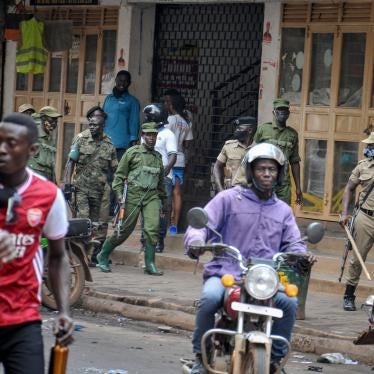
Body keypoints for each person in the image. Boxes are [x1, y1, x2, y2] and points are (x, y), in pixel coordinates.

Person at [185, 143, 315, 374]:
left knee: (289, 303)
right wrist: (196, 242)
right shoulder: (228, 199)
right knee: (209, 298)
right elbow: (202, 225)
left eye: (272, 170)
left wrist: (302, 255)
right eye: (261, 169)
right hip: (226, 272)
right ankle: (200, 356)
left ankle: (275, 362)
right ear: (251, 171)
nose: (266, 174)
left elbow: (294, 242)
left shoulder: (283, 210)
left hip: (265, 279)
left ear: (279, 174)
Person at [0, 113, 74, 374]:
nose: (2, 150)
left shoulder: (48, 194)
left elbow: (58, 256)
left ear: (32, 150)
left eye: (11, 143)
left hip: (22, 319)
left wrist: (63, 311)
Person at [96, 122, 166, 275]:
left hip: (151, 197)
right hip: (133, 195)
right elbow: (119, 177)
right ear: (143, 136)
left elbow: (161, 182)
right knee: (124, 230)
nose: (151, 138)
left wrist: (163, 203)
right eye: (148, 135)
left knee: (152, 229)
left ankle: (150, 263)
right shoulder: (132, 153)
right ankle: (103, 254)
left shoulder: (157, 157)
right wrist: (120, 195)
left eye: (154, 135)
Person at [62, 106, 118, 265]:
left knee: (93, 224)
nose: (92, 127)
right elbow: (70, 162)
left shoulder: (109, 144)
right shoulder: (81, 139)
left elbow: (115, 168)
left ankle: (88, 255)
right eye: (90, 124)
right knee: (83, 221)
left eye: (95, 125)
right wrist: (67, 183)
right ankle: (78, 255)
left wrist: (121, 183)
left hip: (98, 191)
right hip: (80, 188)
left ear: (102, 126)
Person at [339, 132, 374, 311]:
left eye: (371, 146)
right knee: (357, 259)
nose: (368, 149)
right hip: (365, 218)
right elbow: (349, 188)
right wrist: (345, 214)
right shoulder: (363, 166)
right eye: (368, 146)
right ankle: (349, 295)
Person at [254, 98, 303, 206]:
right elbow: (253, 155)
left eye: (285, 111)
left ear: (288, 114)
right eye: (279, 110)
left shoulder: (292, 134)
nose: (282, 113)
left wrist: (298, 187)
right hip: (264, 180)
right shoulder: (263, 129)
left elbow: (294, 162)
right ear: (274, 112)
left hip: (283, 184)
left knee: (282, 214)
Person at [142, 103, 177, 253]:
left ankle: (159, 240)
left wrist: (164, 173)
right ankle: (145, 238)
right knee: (145, 207)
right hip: (146, 177)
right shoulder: (146, 133)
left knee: (162, 210)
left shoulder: (168, 134)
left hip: (163, 179)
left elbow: (173, 156)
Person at [163, 89, 193, 233]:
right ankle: (174, 225)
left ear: (171, 104)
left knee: (166, 193)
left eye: (167, 102)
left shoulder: (169, 120)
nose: (165, 104)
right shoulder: (185, 121)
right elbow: (187, 144)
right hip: (180, 159)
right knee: (177, 193)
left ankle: (167, 223)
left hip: (168, 159)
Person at [103, 70, 140, 161]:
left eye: (125, 81)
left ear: (129, 83)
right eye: (120, 80)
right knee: (105, 173)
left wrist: (133, 141)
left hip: (122, 145)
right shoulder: (108, 99)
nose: (122, 83)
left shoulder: (132, 101)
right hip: (105, 143)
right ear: (115, 80)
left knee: (118, 173)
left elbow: (134, 122)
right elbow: (102, 118)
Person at [213, 116, 257, 192]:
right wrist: (220, 188)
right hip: (231, 191)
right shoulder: (228, 146)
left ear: (250, 130)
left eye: (239, 128)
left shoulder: (259, 149)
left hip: (251, 193)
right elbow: (217, 167)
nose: (236, 131)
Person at [28, 105, 62, 182]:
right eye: (52, 119)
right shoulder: (32, 134)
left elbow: (50, 165)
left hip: (46, 181)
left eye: (56, 120)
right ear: (43, 118)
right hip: (33, 181)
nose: (54, 123)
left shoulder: (50, 139)